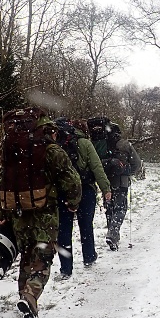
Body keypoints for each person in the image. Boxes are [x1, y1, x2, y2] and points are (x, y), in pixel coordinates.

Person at [0, 109, 81, 318]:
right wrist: (73, 202)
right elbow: (72, 180)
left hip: (17, 212)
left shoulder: (11, 148)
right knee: (42, 256)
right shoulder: (51, 151)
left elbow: (1, 182)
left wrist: (3, 212)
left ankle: (24, 294)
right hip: (45, 211)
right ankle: (30, 296)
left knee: (26, 254)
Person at [54, 118, 112, 278]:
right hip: (85, 190)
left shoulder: (57, 143)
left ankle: (66, 268)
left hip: (63, 191)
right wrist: (105, 188)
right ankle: (89, 257)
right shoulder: (86, 143)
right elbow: (96, 166)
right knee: (86, 226)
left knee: (64, 230)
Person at [89, 119, 142, 251]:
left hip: (106, 182)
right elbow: (137, 164)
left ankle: (113, 235)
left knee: (110, 208)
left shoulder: (100, 145)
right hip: (121, 182)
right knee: (121, 208)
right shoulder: (124, 144)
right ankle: (113, 234)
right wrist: (128, 171)